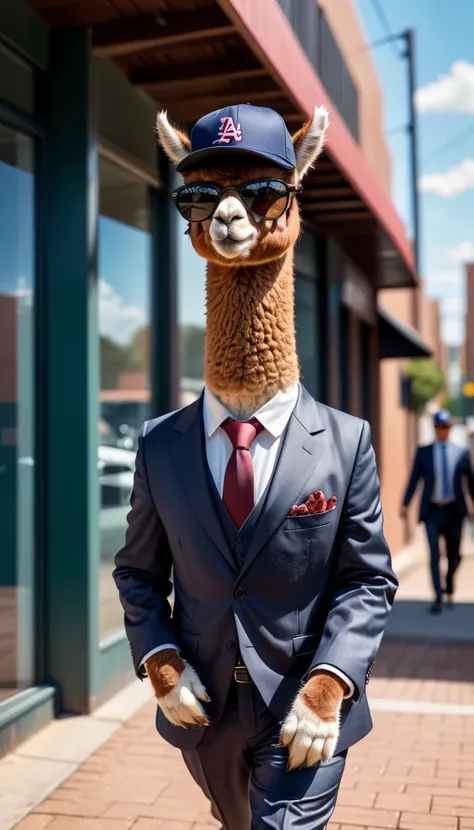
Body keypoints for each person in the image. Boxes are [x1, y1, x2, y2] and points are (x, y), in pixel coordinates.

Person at [113, 103, 398, 830]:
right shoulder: (161, 446)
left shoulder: (344, 442)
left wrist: (331, 684)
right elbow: (140, 574)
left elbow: (366, 578)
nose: (230, 213)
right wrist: (161, 663)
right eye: (201, 197)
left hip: (305, 708)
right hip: (205, 711)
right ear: (189, 220)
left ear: (293, 199)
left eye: (264, 194)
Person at [401, 410, 474, 613]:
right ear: (435, 428)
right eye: (439, 427)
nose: (443, 430)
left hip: (454, 511)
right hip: (432, 512)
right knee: (434, 555)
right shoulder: (424, 452)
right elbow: (415, 479)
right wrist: (405, 503)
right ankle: (438, 597)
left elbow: (471, 481)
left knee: (455, 555)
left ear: (450, 428)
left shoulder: (461, 452)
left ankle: (449, 580)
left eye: (446, 426)